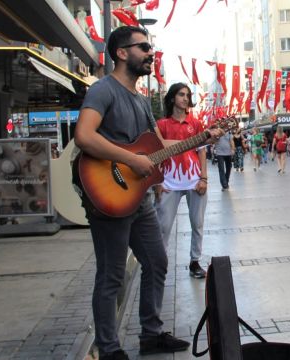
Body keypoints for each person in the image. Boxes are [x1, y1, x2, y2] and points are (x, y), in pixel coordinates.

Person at [74, 27, 221, 359]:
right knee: (111, 273)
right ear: (122, 53)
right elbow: (84, 135)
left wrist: (202, 138)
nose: (151, 53)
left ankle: (151, 334)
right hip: (108, 196)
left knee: (157, 260)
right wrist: (130, 159)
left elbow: (157, 147)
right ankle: (110, 349)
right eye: (144, 47)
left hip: (138, 197)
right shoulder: (103, 90)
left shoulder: (140, 100)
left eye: (151, 47)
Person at [154, 83, 213, 280]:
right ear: (172, 98)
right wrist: (157, 182)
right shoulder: (161, 125)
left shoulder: (195, 124)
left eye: (188, 95)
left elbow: (202, 150)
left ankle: (195, 262)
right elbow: (155, 153)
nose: (185, 98)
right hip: (168, 182)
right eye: (181, 94)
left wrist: (204, 178)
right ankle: (159, 264)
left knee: (197, 223)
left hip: (194, 180)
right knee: (163, 226)